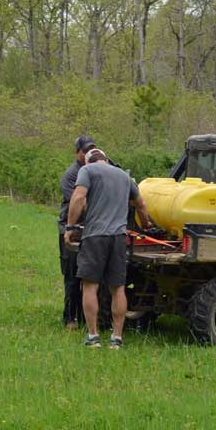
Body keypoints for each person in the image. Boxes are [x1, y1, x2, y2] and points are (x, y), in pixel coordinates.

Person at [64, 148, 153, 349]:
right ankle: (117, 338)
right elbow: (141, 204)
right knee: (117, 288)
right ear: (106, 159)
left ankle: (93, 336)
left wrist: (70, 227)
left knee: (90, 285)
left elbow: (78, 197)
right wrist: (146, 225)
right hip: (119, 239)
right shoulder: (124, 176)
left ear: (88, 162)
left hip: (95, 236)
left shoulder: (87, 171)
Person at [58, 135, 96, 330]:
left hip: (91, 230)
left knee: (88, 276)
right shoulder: (71, 175)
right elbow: (78, 202)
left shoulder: (96, 171)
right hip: (71, 230)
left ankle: (85, 317)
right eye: (84, 150)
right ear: (77, 153)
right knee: (72, 276)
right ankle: (70, 318)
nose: (87, 153)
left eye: (90, 149)